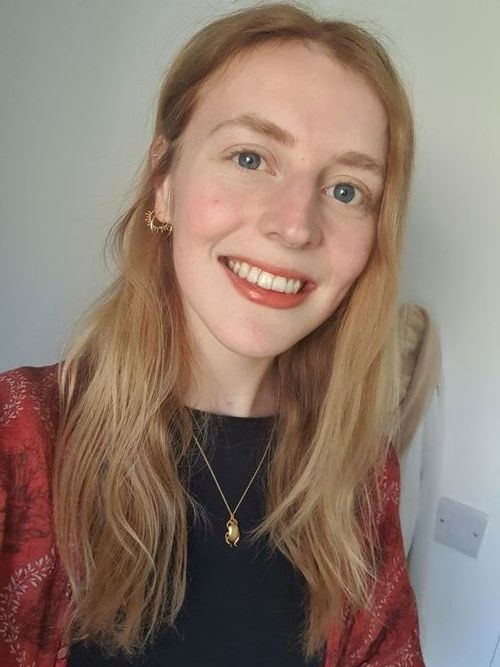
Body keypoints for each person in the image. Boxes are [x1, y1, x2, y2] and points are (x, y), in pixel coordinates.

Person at [0, 2, 425, 665]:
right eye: (250, 157)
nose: (295, 225)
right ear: (164, 183)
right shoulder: (18, 436)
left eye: (347, 190)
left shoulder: (365, 478)